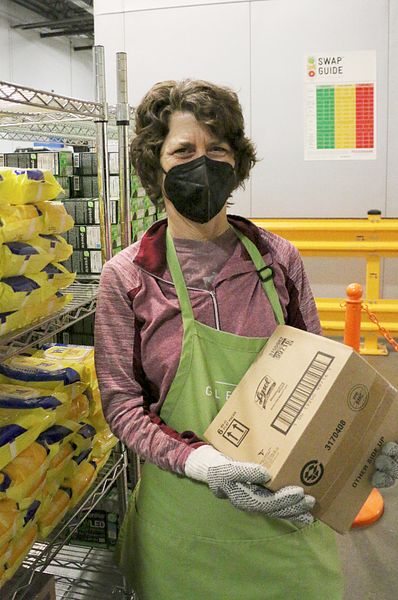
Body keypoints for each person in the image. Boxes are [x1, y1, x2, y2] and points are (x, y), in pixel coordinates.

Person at [94, 79, 398, 600]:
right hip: (183, 535)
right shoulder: (128, 279)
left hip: (288, 526)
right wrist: (201, 462)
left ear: (238, 162)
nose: (203, 163)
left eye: (218, 149)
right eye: (184, 151)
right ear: (155, 165)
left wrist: (360, 448)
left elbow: (323, 380)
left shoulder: (279, 260)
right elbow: (123, 407)